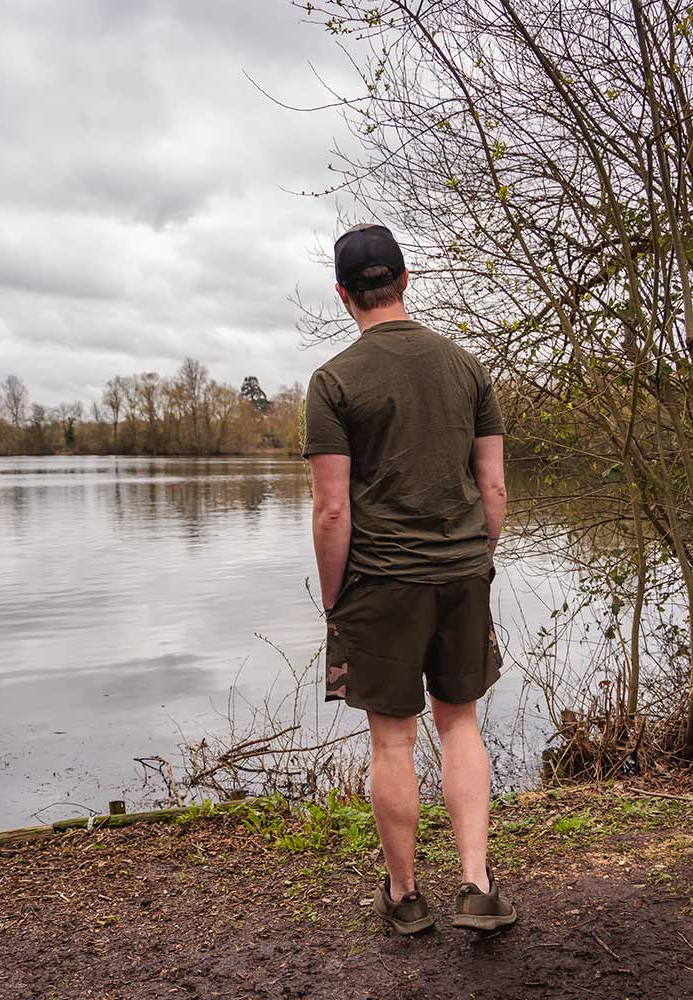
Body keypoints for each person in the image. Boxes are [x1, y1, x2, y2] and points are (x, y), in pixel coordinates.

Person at [302, 223, 516, 935]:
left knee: (392, 740)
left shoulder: (333, 381)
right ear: (404, 279)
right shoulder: (467, 369)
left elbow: (332, 508)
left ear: (343, 294)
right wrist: (473, 563)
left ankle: (405, 898)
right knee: (461, 724)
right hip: (462, 572)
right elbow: (494, 492)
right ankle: (478, 886)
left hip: (381, 582)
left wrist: (336, 598)